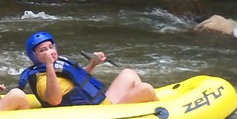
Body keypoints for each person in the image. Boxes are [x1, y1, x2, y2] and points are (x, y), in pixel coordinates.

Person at [18, 30, 158, 107]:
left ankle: (143, 110)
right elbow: (54, 100)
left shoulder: (59, 64)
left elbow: (79, 80)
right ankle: (156, 111)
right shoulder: (42, 79)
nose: (50, 52)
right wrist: (49, 65)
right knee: (145, 89)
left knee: (129, 73)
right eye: (43, 50)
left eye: (50, 47)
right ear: (35, 57)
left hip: (102, 102)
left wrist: (92, 64)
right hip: (99, 113)